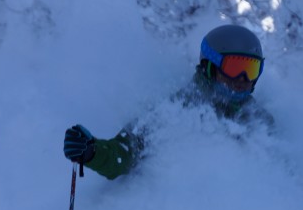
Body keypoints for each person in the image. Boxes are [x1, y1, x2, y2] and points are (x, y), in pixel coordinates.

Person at [63, 24, 272, 180]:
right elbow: (124, 154)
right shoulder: (177, 110)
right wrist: (93, 153)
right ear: (210, 65)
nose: (243, 79)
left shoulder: (259, 120)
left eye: (252, 69)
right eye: (235, 68)